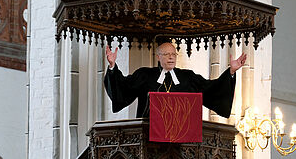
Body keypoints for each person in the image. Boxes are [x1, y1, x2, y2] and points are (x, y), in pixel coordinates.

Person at [104, 42, 246, 118]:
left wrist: (231, 72)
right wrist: (112, 67)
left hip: (180, 140)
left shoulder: (187, 77)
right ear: (158, 57)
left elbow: (211, 89)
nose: (171, 57)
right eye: (166, 54)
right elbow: (123, 88)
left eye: (173, 54)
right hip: (147, 138)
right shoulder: (145, 75)